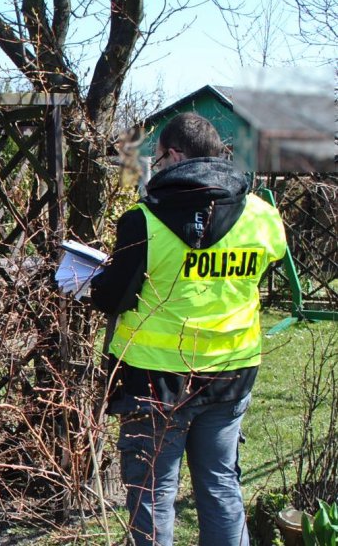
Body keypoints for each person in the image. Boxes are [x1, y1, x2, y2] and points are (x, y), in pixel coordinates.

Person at [91, 113, 287, 546]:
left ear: (175, 155)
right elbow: (264, 265)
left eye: (158, 158)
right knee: (220, 483)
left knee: (153, 492)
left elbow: (111, 298)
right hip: (233, 371)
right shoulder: (262, 215)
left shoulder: (144, 220)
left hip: (155, 379)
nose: (156, 166)